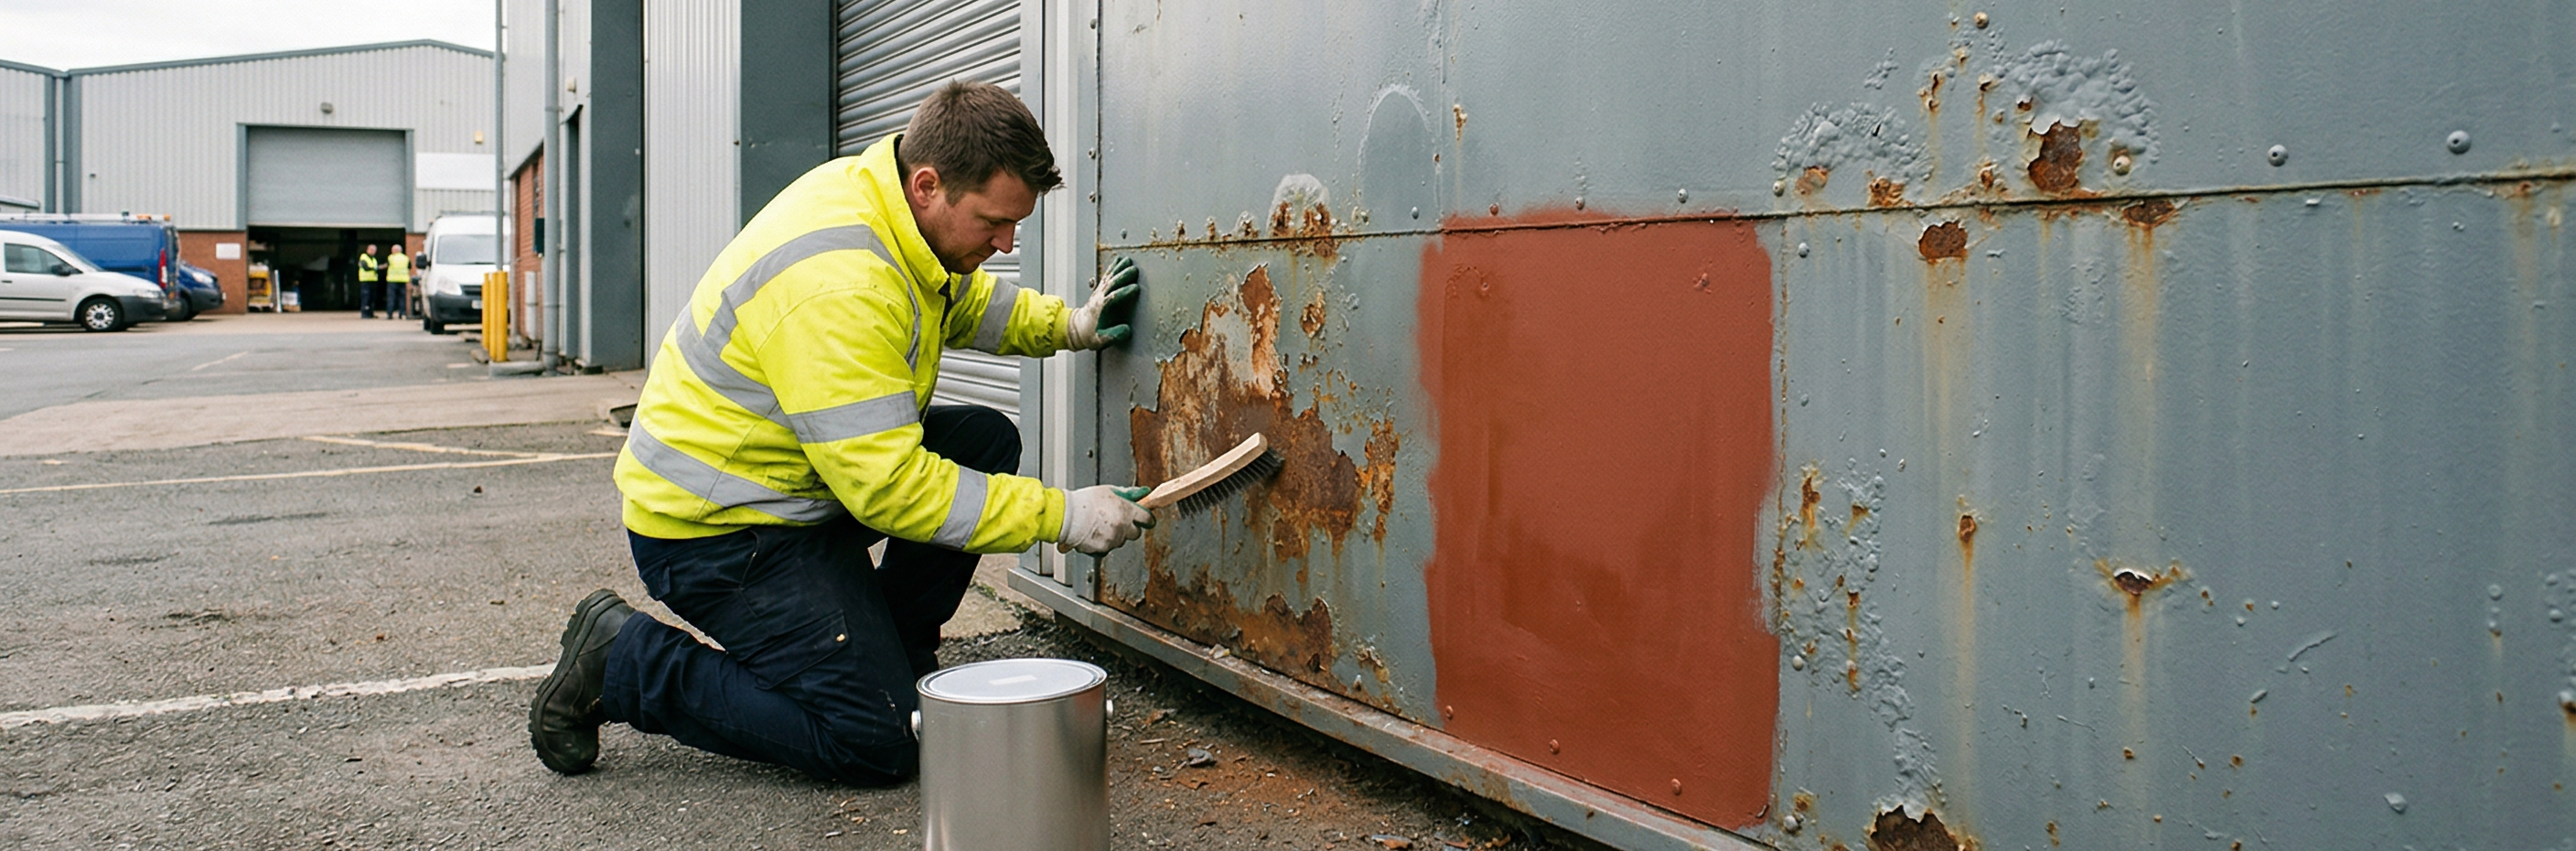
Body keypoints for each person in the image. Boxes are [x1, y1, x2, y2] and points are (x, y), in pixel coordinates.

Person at [529, 81, 1154, 784]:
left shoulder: (886, 205)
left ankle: (891, 660)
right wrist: (1064, 516)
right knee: (878, 742)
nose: (1006, 244)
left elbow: (957, 300)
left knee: (981, 439)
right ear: (928, 185)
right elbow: (891, 491)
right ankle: (624, 661)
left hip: (796, 488)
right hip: (719, 532)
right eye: (992, 223)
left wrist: (1067, 325)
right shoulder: (839, 283)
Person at [384, 244, 413, 319]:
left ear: (395, 250)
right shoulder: (406, 258)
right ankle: (402, 313)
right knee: (402, 298)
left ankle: (390, 314)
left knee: (391, 298)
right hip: (403, 280)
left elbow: (387, 265)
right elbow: (410, 267)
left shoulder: (391, 257)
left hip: (392, 280)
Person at [355, 244, 380, 318]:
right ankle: (364, 314)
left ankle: (370, 313)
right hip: (365, 281)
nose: (373, 251)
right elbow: (366, 267)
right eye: (371, 250)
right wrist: (376, 268)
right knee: (366, 297)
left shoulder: (374, 259)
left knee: (372, 298)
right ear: (367, 249)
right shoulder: (364, 257)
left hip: (373, 280)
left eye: (374, 250)